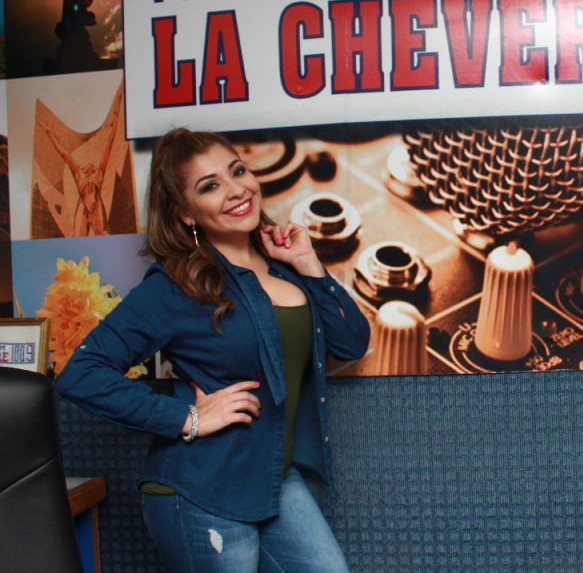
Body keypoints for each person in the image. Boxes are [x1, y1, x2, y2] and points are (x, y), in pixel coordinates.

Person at [56, 127, 370, 572]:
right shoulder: (175, 285)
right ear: (185, 213)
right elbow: (82, 373)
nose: (236, 190)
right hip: (202, 490)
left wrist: (309, 264)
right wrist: (187, 418)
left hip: (272, 475)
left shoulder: (284, 266)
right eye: (210, 186)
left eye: (237, 171)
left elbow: (352, 341)